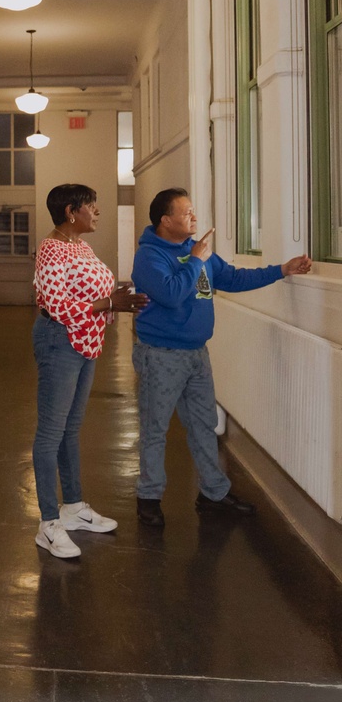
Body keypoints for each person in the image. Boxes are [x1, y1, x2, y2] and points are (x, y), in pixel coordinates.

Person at [131, 188, 313, 527]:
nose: (194, 218)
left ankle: (213, 493)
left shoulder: (194, 250)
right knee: (155, 428)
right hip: (161, 356)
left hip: (197, 354)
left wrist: (281, 270)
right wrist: (197, 259)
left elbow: (232, 277)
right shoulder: (149, 257)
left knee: (204, 425)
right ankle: (149, 498)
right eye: (186, 214)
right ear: (166, 220)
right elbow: (171, 295)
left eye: (193, 212)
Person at [32, 183, 150, 559]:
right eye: (91, 206)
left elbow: (85, 292)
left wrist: (119, 298)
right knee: (51, 432)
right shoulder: (51, 248)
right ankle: (48, 523)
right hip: (59, 339)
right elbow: (55, 303)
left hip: (85, 339)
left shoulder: (80, 246)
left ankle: (73, 508)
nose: (96, 212)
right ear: (71, 211)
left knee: (70, 427)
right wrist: (107, 301)